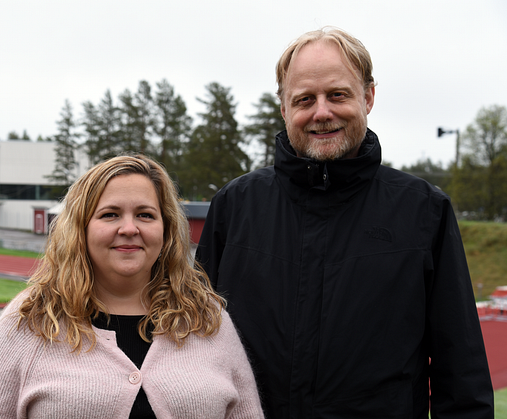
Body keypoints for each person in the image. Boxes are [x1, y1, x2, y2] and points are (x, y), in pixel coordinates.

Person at [196, 27, 493, 418]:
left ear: (368, 96)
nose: (322, 112)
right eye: (305, 99)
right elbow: (192, 347)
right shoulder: (235, 206)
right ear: (284, 108)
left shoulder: (424, 212)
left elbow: (462, 374)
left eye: (337, 94)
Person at [0, 154, 264, 418]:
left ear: (167, 229)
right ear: (80, 228)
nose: (129, 229)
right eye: (110, 215)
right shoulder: (29, 321)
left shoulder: (208, 319)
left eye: (145, 215)